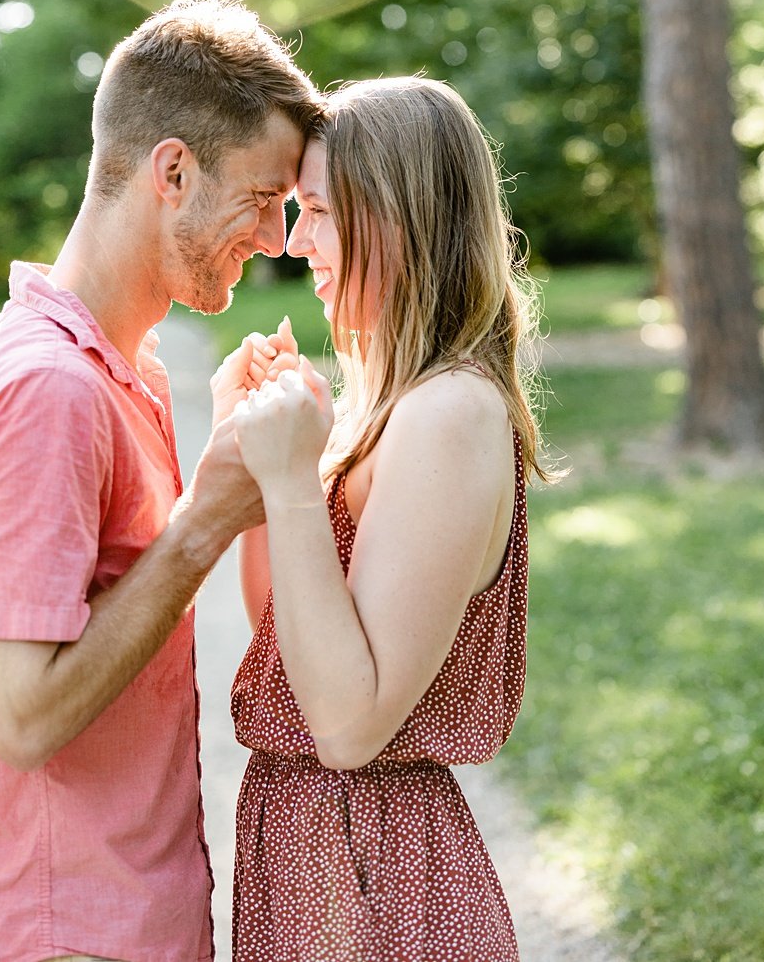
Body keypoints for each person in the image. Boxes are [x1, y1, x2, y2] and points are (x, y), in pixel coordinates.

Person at [0, 0, 323, 962]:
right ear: (172, 172)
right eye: (263, 199)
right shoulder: (50, 391)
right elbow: (21, 714)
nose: (273, 239)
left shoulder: (116, 369)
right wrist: (203, 522)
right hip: (51, 936)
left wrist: (215, 466)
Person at [228, 76, 552, 962]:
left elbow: (348, 725)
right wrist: (260, 465)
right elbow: (288, 643)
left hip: (377, 875)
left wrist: (295, 483)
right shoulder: (392, 407)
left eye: (322, 211)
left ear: (401, 215)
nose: (298, 244)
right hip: (317, 858)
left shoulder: (452, 412)